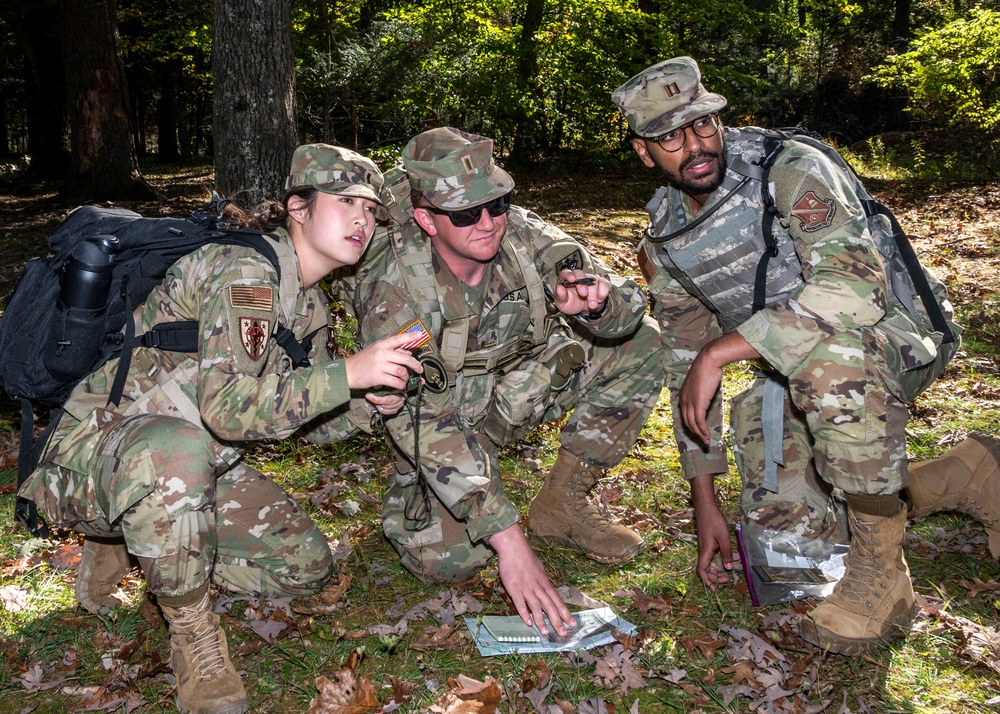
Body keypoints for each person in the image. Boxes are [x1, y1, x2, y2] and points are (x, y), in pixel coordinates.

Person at [18, 144, 422, 714]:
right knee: (175, 451)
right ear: (297, 208)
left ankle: (135, 538)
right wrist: (346, 373)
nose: (363, 218)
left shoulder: (307, 307)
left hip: (182, 465)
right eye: (346, 200)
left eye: (372, 209)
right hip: (87, 456)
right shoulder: (246, 273)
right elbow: (228, 411)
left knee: (304, 566)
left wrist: (361, 402)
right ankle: (193, 636)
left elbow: (292, 418)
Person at [610, 57, 993, 655]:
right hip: (790, 370)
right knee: (788, 541)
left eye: (704, 126)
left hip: (885, 340)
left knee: (831, 367)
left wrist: (721, 352)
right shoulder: (663, 237)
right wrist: (704, 503)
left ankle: (882, 578)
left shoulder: (787, 168)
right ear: (643, 152)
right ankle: (963, 475)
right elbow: (686, 369)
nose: (695, 147)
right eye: (670, 137)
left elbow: (853, 289)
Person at [351, 127, 663, 637]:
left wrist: (600, 305)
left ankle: (561, 502)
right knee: (448, 562)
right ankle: (423, 498)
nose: (489, 223)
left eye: (497, 203)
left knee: (643, 343)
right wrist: (509, 541)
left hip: (514, 396)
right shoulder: (395, 288)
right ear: (426, 219)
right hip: (437, 424)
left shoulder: (525, 235)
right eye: (466, 214)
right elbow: (422, 416)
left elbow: (624, 304)